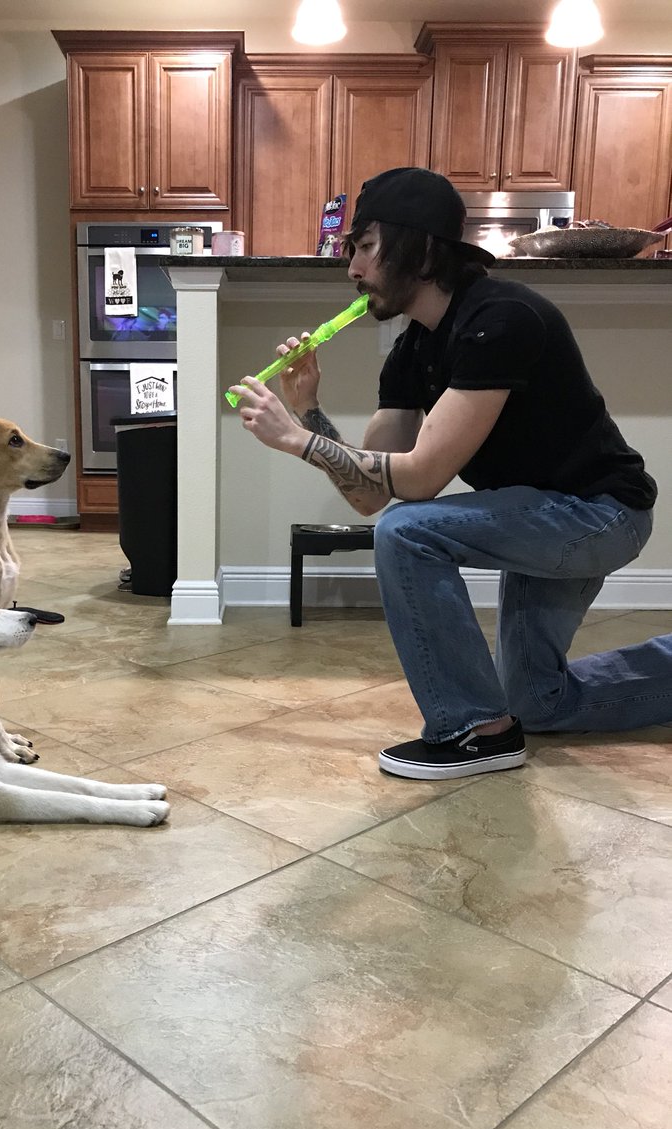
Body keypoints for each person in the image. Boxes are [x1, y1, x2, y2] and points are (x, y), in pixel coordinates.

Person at [230, 166, 667, 781]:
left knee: (409, 532)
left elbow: (419, 480)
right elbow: (369, 496)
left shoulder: (501, 318)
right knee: (538, 703)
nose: (351, 268)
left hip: (600, 514)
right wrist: (309, 410)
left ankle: (477, 731)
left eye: (365, 247)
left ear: (424, 250)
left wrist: (298, 441)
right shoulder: (412, 348)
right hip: (536, 511)